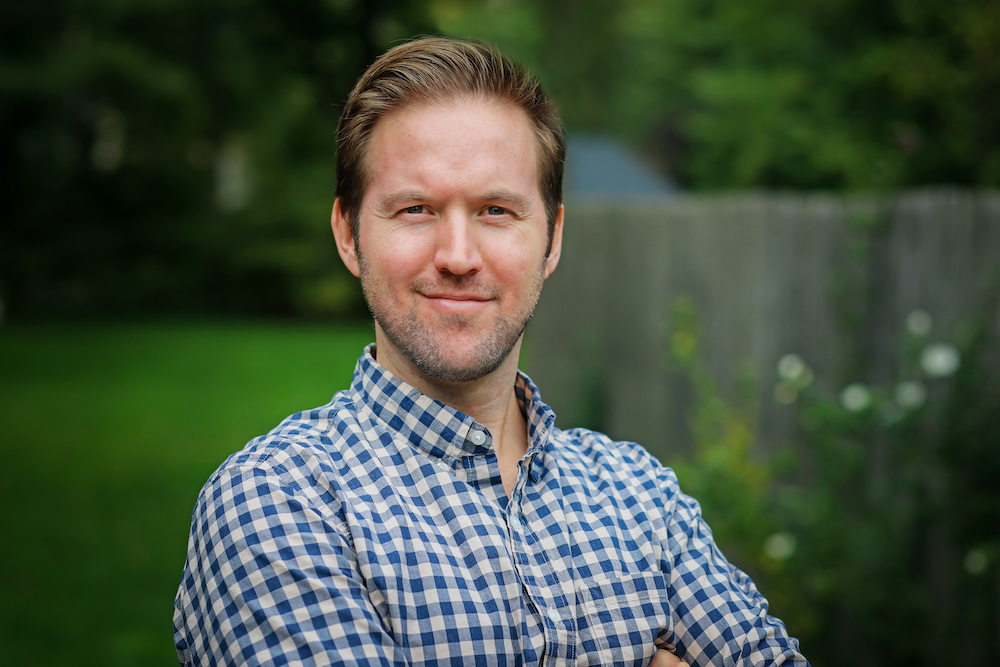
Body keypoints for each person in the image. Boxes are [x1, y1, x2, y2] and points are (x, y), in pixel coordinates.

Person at [173, 36, 809, 667]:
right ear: (348, 234)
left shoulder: (640, 497)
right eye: (416, 209)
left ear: (552, 239)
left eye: (497, 211)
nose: (457, 256)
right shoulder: (278, 503)